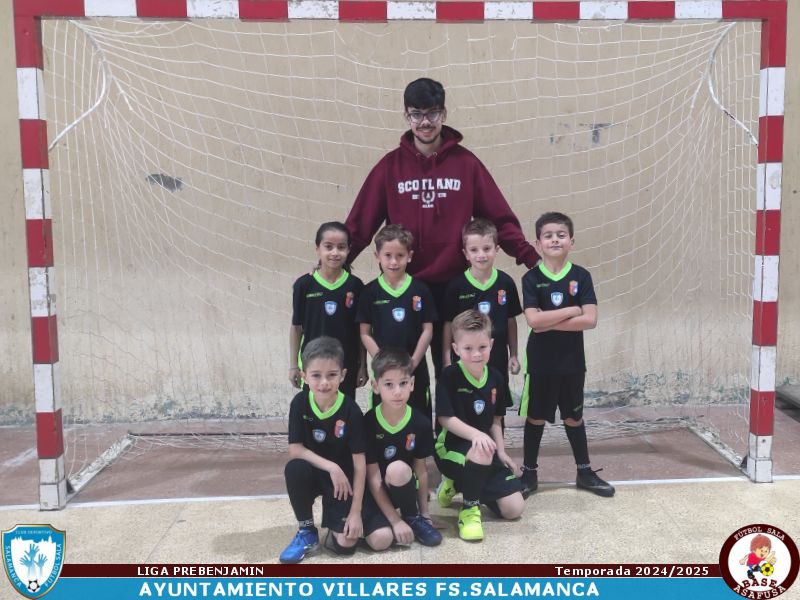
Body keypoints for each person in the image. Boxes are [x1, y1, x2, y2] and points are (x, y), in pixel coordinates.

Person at [345, 78, 538, 377]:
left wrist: (530, 259)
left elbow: (499, 218)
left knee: (459, 372)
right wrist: (332, 267)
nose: (425, 122)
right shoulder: (389, 167)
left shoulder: (466, 164)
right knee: (407, 373)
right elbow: (360, 223)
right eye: (417, 114)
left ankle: (462, 425)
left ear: (444, 114)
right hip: (407, 287)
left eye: (432, 113)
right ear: (406, 116)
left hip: (456, 288)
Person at [518, 212, 614, 498]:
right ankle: (529, 473)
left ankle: (584, 472)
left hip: (572, 362)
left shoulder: (581, 276)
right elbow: (533, 321)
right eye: (548, 235)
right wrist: (572, 310)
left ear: (571, 241)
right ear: (538, 243)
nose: (555, 239)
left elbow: (591, 320)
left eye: (561, 234)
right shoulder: (531, 278)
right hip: (540, 362)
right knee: (535, 417)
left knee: (574, 417)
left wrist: (549, 321)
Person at [280, 337, 393, 563]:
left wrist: (355, 512)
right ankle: (307, 531)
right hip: (318, 473)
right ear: (304, 377)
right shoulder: (299, 404)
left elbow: (360, 465)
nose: (324, 382)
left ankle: (337, 527)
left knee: (368, 542)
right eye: (316, 375)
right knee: (295, 468)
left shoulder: (351, 410)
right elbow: (295, 450)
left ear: (342, 375)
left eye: (331, 375)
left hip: (344, 484)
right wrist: (332, 467)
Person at [434, 310, 524, 541]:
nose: (476, 354)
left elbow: (495, 419)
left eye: (482, 347)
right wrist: (476, 436)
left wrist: (502, 451)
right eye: (468, 349)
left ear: (492, 345)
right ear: (456, 349)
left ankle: (462, 482)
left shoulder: (496, 377)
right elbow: (445, 418)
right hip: (450, 448)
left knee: (514, 509)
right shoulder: (450, 376)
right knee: (482, 451)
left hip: (483, 449)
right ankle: (469, 508)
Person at [356, 224, 437, 422]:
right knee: (383, 419)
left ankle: (419, 453)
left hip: (414, 367)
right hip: (383, 370)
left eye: (400, 255)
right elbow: (364, 332)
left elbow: (428, 329)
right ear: (377, 256)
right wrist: (383, 362)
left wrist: (413, 362)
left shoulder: (421, 290)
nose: (393, 261)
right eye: (388, 255)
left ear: (409, 256)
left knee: (418, 417)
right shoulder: (369, 292)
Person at [363, 348, 442, 547]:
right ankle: (388, 520)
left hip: (401, 486)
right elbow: (373, 476)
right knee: (381, 541)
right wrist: (394, 521)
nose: (397, 391)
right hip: (375, 491)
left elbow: (421, 471)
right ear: (375, 386)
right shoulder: (368, 423)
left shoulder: (420, 422)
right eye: (389, 384)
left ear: (412, 384)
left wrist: (425, 514)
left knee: (397, 469)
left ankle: (413, 517)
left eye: (403, 383)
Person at [289, 222, 368, 399]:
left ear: (348, 250)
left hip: (345, 366)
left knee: (343, 416)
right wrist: (294, 365)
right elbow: (296, 328)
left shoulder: (355, 286)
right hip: (313, 365)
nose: (334, 252)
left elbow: (360, 331)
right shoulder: (304, 285)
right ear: (318, 249)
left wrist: (363, 365)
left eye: (341, 247)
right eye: (328, 246)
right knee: (315, 415)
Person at [442, 218, 522, 389]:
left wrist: (513, 354)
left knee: (497, 408)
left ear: (497, 249)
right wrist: (447, 359)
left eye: (487, 248)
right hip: (465, 360)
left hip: (497, 357)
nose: (481, 255)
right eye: (474, 250)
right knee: (467, 407)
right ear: (465, 254)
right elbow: (448, 324)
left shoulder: (506, 282)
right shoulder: (456, 286)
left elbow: (511, 321)